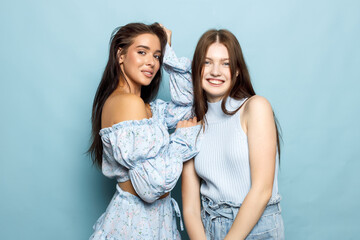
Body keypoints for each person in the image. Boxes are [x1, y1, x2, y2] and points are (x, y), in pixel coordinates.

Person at [88, 22, 200, 239]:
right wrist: (182, 141)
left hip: (153, 222)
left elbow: (189, 106)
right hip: (136, 224)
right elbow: (152, 186)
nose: (151, 62)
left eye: (157, 56)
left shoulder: (145, 106)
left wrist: (169, 53)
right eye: (142, 52)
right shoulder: (128, 103)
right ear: (120, 55)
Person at [182, 29, 284, 240]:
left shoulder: (255, 107)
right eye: (207, 62)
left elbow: (262, 190)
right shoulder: (191, 126)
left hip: (257, 227)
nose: (216, 71)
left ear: (237, 71)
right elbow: (191, 209)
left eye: (225, 63)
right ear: (196, 69)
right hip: (209, 226)